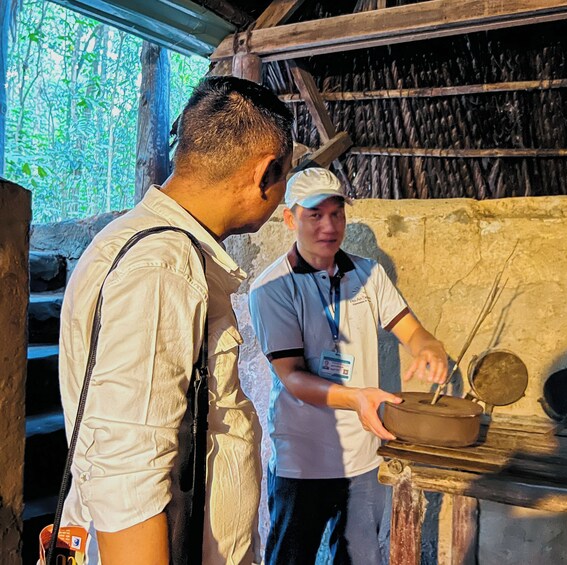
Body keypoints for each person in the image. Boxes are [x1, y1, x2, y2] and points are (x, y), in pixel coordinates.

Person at [58, 75, 293, 564]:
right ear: (265, 173)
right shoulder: (163, 268)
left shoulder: (142, 241)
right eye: (286, 176)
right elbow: (129, 476)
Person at [248, 167, 448, 564]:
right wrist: (356, 397)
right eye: (314, 215)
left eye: (336, 213)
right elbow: (293, 378)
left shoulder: (368, 274)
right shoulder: (273, 288)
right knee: (291, 557)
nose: (328, 226)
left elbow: (414, 332)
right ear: (290, 219)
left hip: (363, 458)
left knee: (359, 557)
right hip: (302, 458)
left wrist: (431, 348)